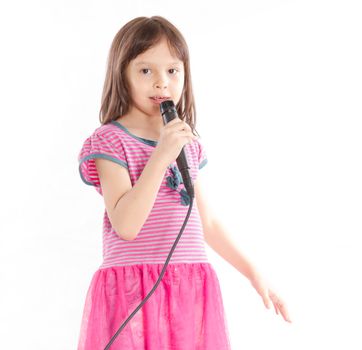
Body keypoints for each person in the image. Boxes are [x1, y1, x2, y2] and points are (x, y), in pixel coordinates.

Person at [76, 16, 292, 349]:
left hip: (188, 287)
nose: (161, 83)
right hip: (134, 289)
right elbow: (126, 225)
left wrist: (253, 273)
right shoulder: (110, 141)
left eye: (172, 71)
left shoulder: (185, 143)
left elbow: (206, 222)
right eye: (146, 71)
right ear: (123, 74)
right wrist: (161, 155)